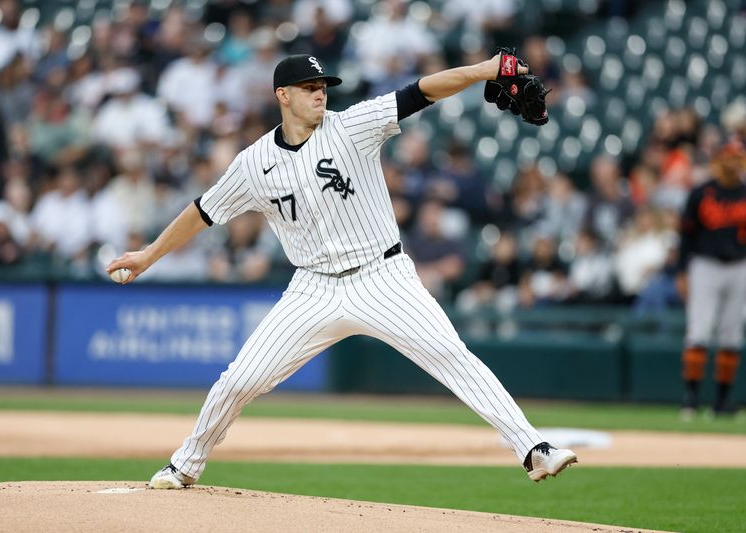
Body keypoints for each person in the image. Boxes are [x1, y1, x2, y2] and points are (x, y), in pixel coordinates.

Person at [106, 52, 578, 488]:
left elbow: (421, 91)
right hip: (311, 289)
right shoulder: (254, 163)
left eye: (323, 85)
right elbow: (203, 211)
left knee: (451, 355)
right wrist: (149, 254)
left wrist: (484, 69)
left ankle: (533, 448)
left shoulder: (353, 125)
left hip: (382, 277)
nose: (320, 92)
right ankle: (186, 464)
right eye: (309, 85)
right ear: (282, 96)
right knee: (239, 379)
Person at [677, 139, 746, 418]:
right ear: (717, 160)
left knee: (731, 335)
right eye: (727, 157)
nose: (732, 162)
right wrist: (682, 271)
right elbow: (685, 234)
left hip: (739, 265)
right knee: (699, 332)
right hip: (704, 265)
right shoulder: (701, 192)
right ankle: (691, 399)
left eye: (737, 157)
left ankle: (722, 401)